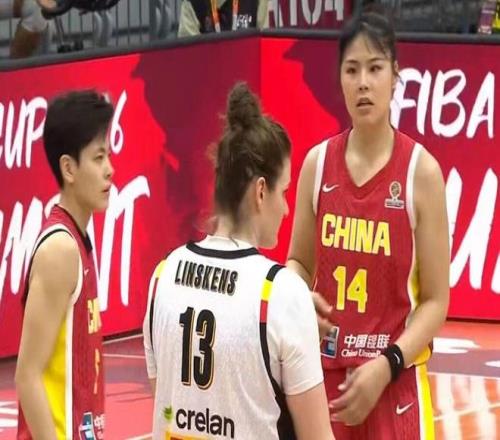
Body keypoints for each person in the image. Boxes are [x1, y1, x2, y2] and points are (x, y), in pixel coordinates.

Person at [287, 11, 449, 440]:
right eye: (352, 70)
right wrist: (298, 300)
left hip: (395, 385)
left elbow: (436, 301)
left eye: (375, 69)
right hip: (324, 382)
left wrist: (387, 364)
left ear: (395, 77)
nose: (363, 83)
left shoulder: (422, 173)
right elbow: (297, 263)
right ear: (339, 79)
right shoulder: (317, 165)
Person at [143, 83, 334, 440]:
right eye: (284, 192)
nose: (286, 208)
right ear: (261, 191)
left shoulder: (162, 276)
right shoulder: (281, 294)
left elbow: (166, 406)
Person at [15, 90, 114, 439]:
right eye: (98, 158)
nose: (110, 169)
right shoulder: (60, 249)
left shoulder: (78, 239)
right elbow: (27, 375)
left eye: (109, 155)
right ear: (69, 168)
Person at [178, 0, 268, 37]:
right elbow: (188, 58)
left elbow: (266, 49)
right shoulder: (191, 4)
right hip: (208, 69)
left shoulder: (258, 1)